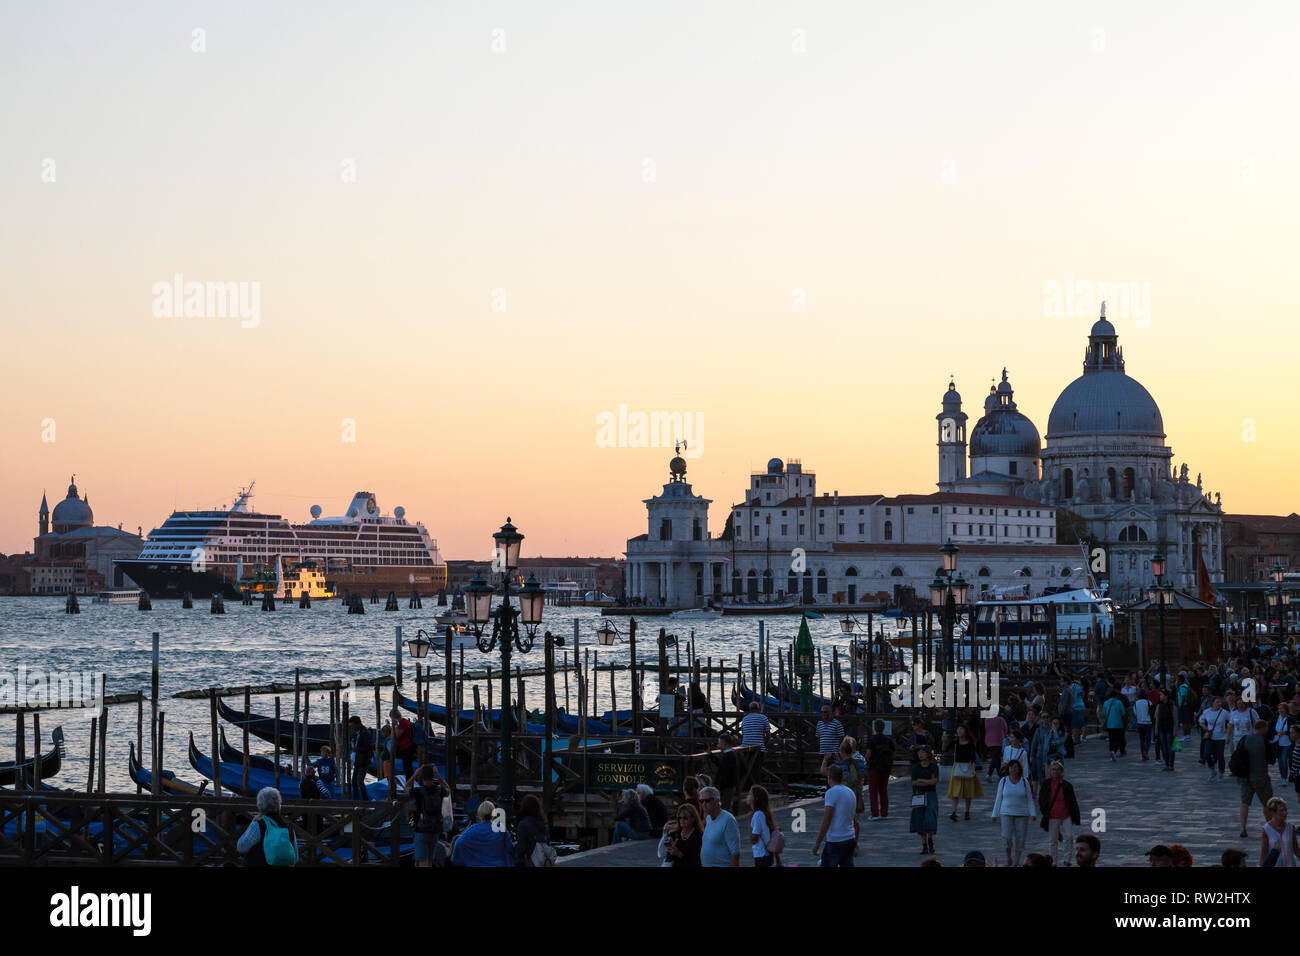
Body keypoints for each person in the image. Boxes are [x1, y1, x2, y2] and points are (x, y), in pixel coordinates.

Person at [990, 758, 1037, 867]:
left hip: (1022, 814)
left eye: (1016, 767)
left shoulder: (1025, 782)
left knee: (1020, 838)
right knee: (1006, 837)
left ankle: (1016, 861)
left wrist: (1033, 813)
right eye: (1011, 767)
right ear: (1008, 769)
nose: (1013, 769)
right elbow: (998, 798)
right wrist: (994, 814)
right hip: (1006, 813)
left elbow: (1030, 799)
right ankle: (1008, 857)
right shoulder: (1004, 781)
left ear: (1019, 769)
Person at [237, 786, 297, 866]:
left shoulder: (259, 824)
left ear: (260, 804)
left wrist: (252, 823)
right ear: (279, 804)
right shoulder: (288, 826)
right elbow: (295, 857)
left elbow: (241, 847)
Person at [1236, 719, 1275, 839]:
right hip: (1261, 776)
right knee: (1267, 803)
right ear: (1262, 728)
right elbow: (1272, 760)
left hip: (1245, 776)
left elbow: (1238, 757)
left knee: (1244, 802)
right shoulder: (1264, 742)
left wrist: (1239, 774)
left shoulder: (1244, 739)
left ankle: (1243, 828)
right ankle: (1270, 828)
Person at [813, 763, 857, 867]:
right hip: (850, 838)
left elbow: (827, 820)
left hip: (836, 840)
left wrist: (817, 843)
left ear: (829, 777)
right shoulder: (850, 792)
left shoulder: (831, 793)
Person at [1038, 761, 1080, 867]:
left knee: (1069, 836)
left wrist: (1076, 817)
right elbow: (1041, 799)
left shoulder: (1067, 785)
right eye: (1053, 769)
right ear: (1050, 771)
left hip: (1066, 815)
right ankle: (1054, 861)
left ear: (1062, 772)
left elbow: (1073, 802)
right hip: (1052, 815)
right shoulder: (1046, 784)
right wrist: (1044, 811)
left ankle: (1067, 859)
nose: (1055, 772)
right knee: (1053, 840)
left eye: (1057, 769)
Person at [406, 764, 447, 867]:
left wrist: (415, 774)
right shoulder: (439, 790)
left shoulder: (418, 791)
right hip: (435, 830)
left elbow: (406, 787)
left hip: (421, 830)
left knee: (423, 863)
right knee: (429, 861)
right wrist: (437, 774)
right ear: (432, 776)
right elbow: (447, 788)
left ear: (421, 776)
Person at [451, 800, 513, 866]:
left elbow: (459, 843)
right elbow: (509, 847)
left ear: (479, 814)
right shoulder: (500, 828)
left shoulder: (473, 829)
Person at [945, 723, 983, 821]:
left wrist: (973, 769)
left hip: (967, 767)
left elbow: (973, 757)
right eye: (958, 729)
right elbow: (944, 750)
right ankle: (954, 811)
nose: (959, 731)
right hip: (957, 767)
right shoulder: (955, 742)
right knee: (955, 791)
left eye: (961, 729)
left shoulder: (970, 743)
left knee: (968, 792)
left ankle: (967, 812)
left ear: (966, 731)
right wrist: (943, 741)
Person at [909, 745, 940, 856]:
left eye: (923, 752)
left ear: (928, 754)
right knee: (919, 818)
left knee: (930, 817)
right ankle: (924, 845)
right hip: (918, 795)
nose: (920, 755)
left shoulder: (933, 767)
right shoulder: (915, 767)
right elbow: (914, 782)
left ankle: (930, 840)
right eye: (919, 753)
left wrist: (922, 780)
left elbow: (934, 781)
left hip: (930, 794)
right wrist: (927, 781)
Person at [699, 786, 740, 867]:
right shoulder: (709, 818)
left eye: (707, 800)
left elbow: (735, 853)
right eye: (701, 801)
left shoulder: (728, 820)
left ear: (717, 801)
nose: (704, 804)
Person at [863, 719, 896, 820]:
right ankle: (884, 813)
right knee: (883, 790)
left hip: (874, 767)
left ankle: (874, 814)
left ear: (874, 728)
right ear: (884, 728)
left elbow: (868, 754)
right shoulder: (889, 740)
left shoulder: (872, 740)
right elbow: (893, 754)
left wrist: (865, 761)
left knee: (873, 791)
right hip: (885, 767)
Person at [658, 803, 703, 867]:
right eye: (679, 818)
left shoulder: (698, 836)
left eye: (685, 818)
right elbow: (667, 858)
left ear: (693, 819)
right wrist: (669, 848)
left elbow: (696, 861)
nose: (681, 820)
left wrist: (679, 854)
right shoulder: (674, 834)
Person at [515, 794, 553, 867]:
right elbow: (547, 842)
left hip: (529, 861)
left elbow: (521, 848)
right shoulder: (544, 823)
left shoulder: (523, 824)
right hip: (543, 860)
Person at [1260, 796, 1299, 867]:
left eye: (1286, 810)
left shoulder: (1290, 827)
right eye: (1281, 810)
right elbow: (1264, 853)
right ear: (1273, 812)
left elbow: (1296, 849)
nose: (1285, 813)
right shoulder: (1266, 829)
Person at [747, 785, 779, 867]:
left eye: (750, 794)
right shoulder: (763, 813)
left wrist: (750, 823)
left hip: (762, 855)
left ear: (756, 798)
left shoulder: (757, 815)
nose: (747, 796)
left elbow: (754, 839)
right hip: (766, 855)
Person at [1199, 697, 1229, 781]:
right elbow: (1201, 721)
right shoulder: (1207, 712)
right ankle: (1212, 770)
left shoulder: (1224, 712)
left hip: (1221, 737)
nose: (1219, 704)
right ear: (1212, 703)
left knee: (1220, 756)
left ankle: (1221, 773)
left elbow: (1231, 721)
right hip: (1210, 736)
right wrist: (1206, 728)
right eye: (1217, 702)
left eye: (1220, 702)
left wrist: (1227, 730)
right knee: (1206, 754)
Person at [347, 716, 373, 800]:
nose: (351, 728)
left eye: (352, 726)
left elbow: (367, 748)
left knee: (359, 781)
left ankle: (365, 800)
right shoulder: (355, 733)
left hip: (365, 760)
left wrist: (356, 749)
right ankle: (356, 799)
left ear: (357, 724)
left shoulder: (365, 733)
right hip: (358, 760)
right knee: (354, 781)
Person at [1153, 689, 1178, 771]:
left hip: (1169, 729)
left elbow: (1175, 719)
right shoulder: (1159, 706)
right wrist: (1156, 729)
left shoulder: (1172, 706)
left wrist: (1175, 731)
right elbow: (1157, 718)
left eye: (1161, 695)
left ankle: (1171, 764)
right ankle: (1167, 763)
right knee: (1163, 747)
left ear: (1166, 696)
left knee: (1170, 747)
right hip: (1161, 729)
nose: (1160, 696)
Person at [1100, 691, 1127, 762]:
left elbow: (1103, 714)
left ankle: (1111, 750)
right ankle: (1114, 751)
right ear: (1116, 696)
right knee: (1118, 738)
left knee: (1111, 738)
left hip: (1109, 724)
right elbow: (1123, 713)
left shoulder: (1106, 703)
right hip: (1118, 723)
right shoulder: (1119, 702)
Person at [984, 710, 1008, 780]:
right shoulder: (1001, 719)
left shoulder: (987, 720)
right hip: (999, 741)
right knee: (995, 758)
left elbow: (986, 729)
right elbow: (1005, 729)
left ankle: (999, 774)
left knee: (995, 758)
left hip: (989, 741)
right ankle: (990, 773)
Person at [1273, 703, 1293, 781]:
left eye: (1282, 708)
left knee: (1284, 759)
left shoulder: (1290, 719)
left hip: (1287, 743)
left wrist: (1285, 732)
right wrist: (1276, 733)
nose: (1280, 710)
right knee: (1280, 761)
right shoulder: (1275, 718)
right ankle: (1283, 776)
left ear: (1286, 710)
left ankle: (1284, 777)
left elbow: (1294, 730)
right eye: (1279, 709)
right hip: (1277, 743)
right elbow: (1271, 729)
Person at [1133, 690, 1153, 760]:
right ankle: (1146, 751)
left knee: (1142, 740)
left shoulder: (1136, 703)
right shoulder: (1149, 702)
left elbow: (1135, 713)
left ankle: (1143, 754)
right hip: (1148, 723)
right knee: (1148, 739)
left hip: (1139, 723)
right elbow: (1151, 712)